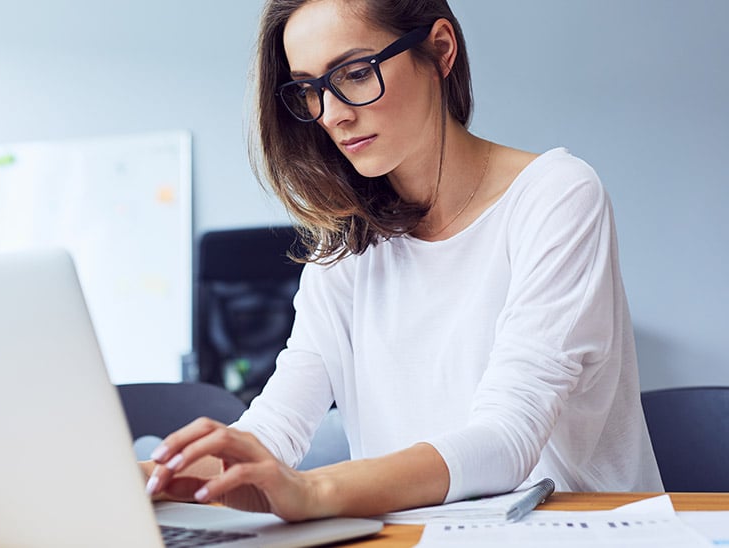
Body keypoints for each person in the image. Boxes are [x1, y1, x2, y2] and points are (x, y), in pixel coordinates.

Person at [143, 0, 663, 521]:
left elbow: (507, 440)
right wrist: (143, 477)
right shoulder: (344, 242)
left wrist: (313, 491)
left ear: (440, 50)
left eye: (354, 72)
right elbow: (274, 431)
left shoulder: (556, 196)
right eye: (309, 89)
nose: (333, 113)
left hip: (576, 532)